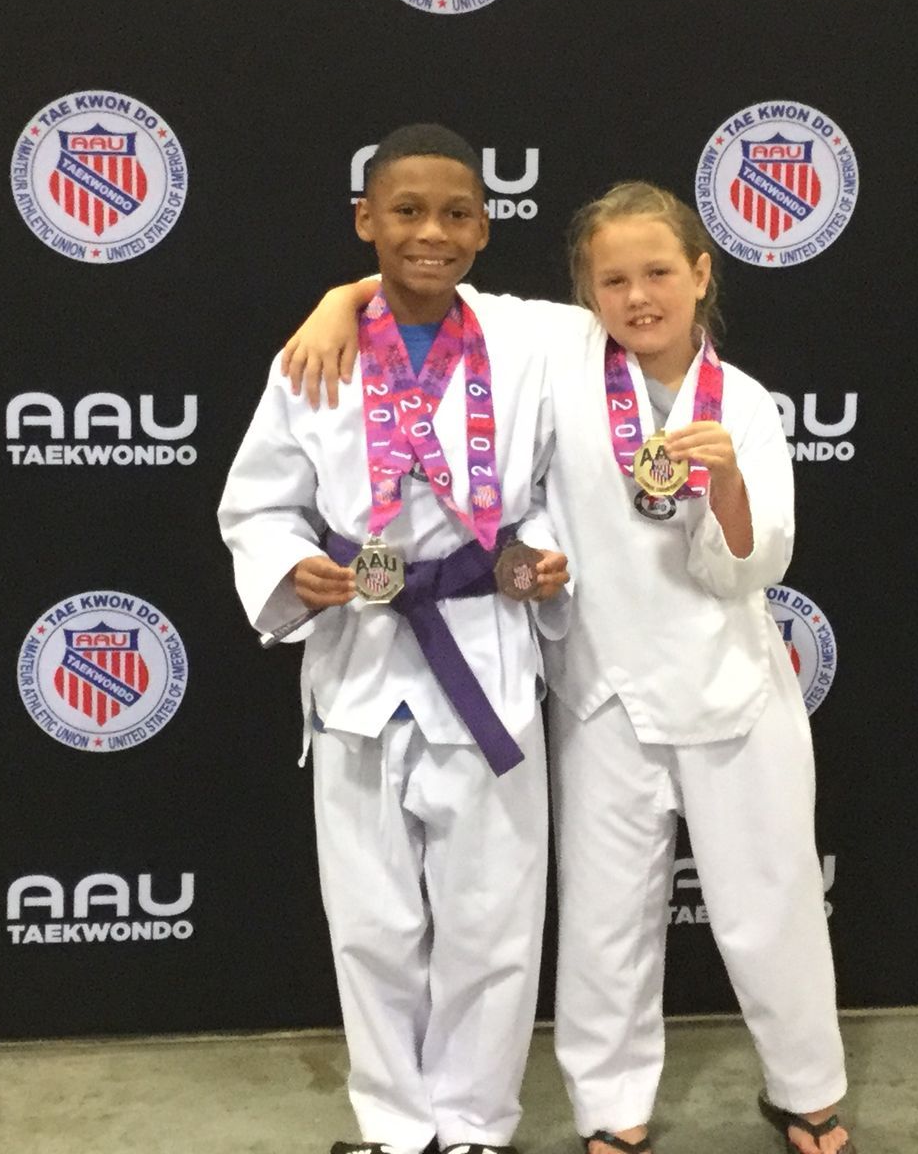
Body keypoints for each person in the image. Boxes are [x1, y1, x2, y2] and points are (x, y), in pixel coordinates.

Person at [281, 182, 855, 1154]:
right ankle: (612, 1111)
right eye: (614, 279)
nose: (638, 298)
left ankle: (807, 1089)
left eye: (659, 274)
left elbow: (751, 567)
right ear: (589, 292)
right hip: (601, 693)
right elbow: (432, 290)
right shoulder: (560, 354)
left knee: (773, 906)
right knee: (604, 925)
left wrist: (723, 480)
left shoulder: (745, 405)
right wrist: (341, 301)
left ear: (703, 275)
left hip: (735, 689)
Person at [217, 124, 572, 1154]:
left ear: (487, 228)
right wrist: (291, 570)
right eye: (406, 211)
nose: (432, 232)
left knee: (492, 924)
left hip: (485, 652)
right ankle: (393, 1124)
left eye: (457, 213)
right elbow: (258, 506)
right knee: (372, 922)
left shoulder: (528, 342)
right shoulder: (312, 355)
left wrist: (540, 555)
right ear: (364, 221)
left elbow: (552, 487)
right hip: (360, 662)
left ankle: (474, 1125)